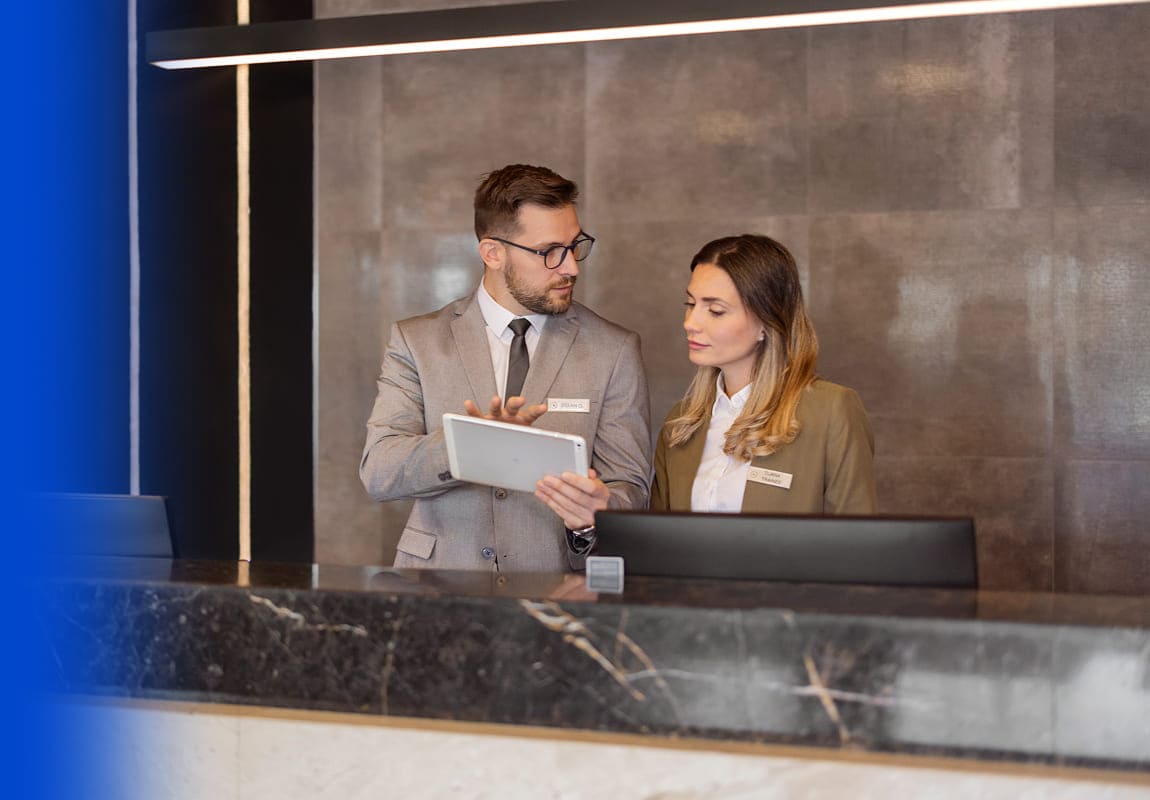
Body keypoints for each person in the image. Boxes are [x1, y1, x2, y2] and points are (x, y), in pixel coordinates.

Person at [360, 164, 651, 571]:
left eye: (575, 245)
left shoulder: (614, 349)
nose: (571, 267)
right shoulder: (417, 341)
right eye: (550, 251)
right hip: (438, 588)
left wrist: (592, 517)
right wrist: (473, 444)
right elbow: (380, 471)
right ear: (493, 253)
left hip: (560, 594)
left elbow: (631, 489)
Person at [650, 234, 876, 514]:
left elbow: (855, 544)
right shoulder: (680, 423)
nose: (690, 323)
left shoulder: (832, 412)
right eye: (690, 304)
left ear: (766, 324)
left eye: (716, 311)